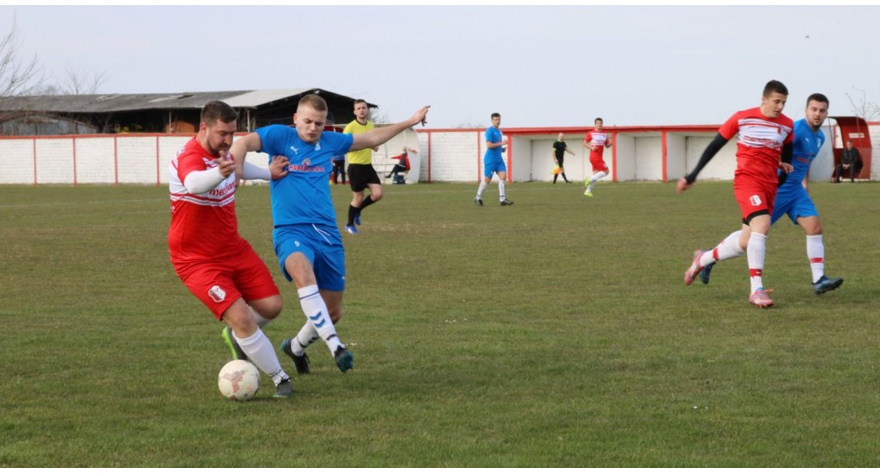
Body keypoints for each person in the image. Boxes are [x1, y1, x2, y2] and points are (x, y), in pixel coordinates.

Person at [230, 94, 430, 375]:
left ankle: (295, 348)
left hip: (327, 235)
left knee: (333, 312)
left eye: (320, 123)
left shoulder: (331, 141)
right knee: (303, 273)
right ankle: (335, 345)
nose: (313, 128)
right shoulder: (279, 136)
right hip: (290, 230)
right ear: (296, 119)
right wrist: (238, 171)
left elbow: (373, 139)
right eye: (308, 121)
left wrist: (409, 121)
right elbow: (242, 143)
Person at [169, 100, 293, 398]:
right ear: (204, 127)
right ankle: (280, 378)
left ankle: (238, 337)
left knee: (272, 306)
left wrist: (268, 173)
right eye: (222, 133)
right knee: (243, 318)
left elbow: (238, 167)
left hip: (233, 248)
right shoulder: (189, 156)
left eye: (232, 133)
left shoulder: (224, 154)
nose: (228, 140)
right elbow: (195, 183)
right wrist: (220, 173)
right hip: (196, 260)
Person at [698, 93, 844, 295]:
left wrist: (804, 184)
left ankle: (818, 279)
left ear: (827, 113)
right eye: (814, 109)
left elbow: (805, 163)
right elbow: (773, 151)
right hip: (776, 189)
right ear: (806, 110)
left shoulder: (820, 137)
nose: (817, 114)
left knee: (814, 227)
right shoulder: (795, 129)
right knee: (747, 240)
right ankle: (707, 258)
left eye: (822, 110)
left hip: (796, 192)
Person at [677, 80, 795, 308]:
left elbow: (785, 159)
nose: (780, 106)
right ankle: (756, 290)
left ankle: (703, 258)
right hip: (747, 182)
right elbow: (714, 146)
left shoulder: (787, 126)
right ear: (764, 99)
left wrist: (784, 168)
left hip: (769, 186)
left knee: (745, 241)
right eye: (776, 101)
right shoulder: (742, 118)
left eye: (784, 102)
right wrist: (692, 175)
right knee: (762, 226)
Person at [342, 99, 383, 234]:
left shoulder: (371, 125)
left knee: (378, 194)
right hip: (355, 167)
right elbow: (343, 147)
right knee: (358, 197)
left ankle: (358, 210)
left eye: (363, 108)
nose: (361, 110)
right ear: (354, 112)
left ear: (367, 110)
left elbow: (375, 145)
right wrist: (364, 144)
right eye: (358, 108)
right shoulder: (350, 127)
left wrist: (374, 144)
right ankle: (349, 224)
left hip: (368, 166)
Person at [474, 112, 513, 206]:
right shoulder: (489, 131)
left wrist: (502, 149)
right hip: (490, 160)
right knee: (487, 180)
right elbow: (489, 145)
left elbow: (496, 145)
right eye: (495, 120)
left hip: (499, 160)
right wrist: (501, 144)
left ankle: (502, 200)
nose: (498, 121)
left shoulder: (499, 131)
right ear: (492, 120)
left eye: (499, 119)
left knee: (503, 176)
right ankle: (478, 197)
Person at [583, 118, 613, 197]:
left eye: (601, 123)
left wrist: (611, 143)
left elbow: (607, 146)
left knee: (596, 174)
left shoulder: (604, 134)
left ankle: (588, 191)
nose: (599, 124)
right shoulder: (591, 133)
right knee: (606, 171)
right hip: (594, 156)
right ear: (595, 124)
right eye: (598, 123)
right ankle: (589, 179)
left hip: (599, 156)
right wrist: (591, 147)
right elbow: (584, 143)